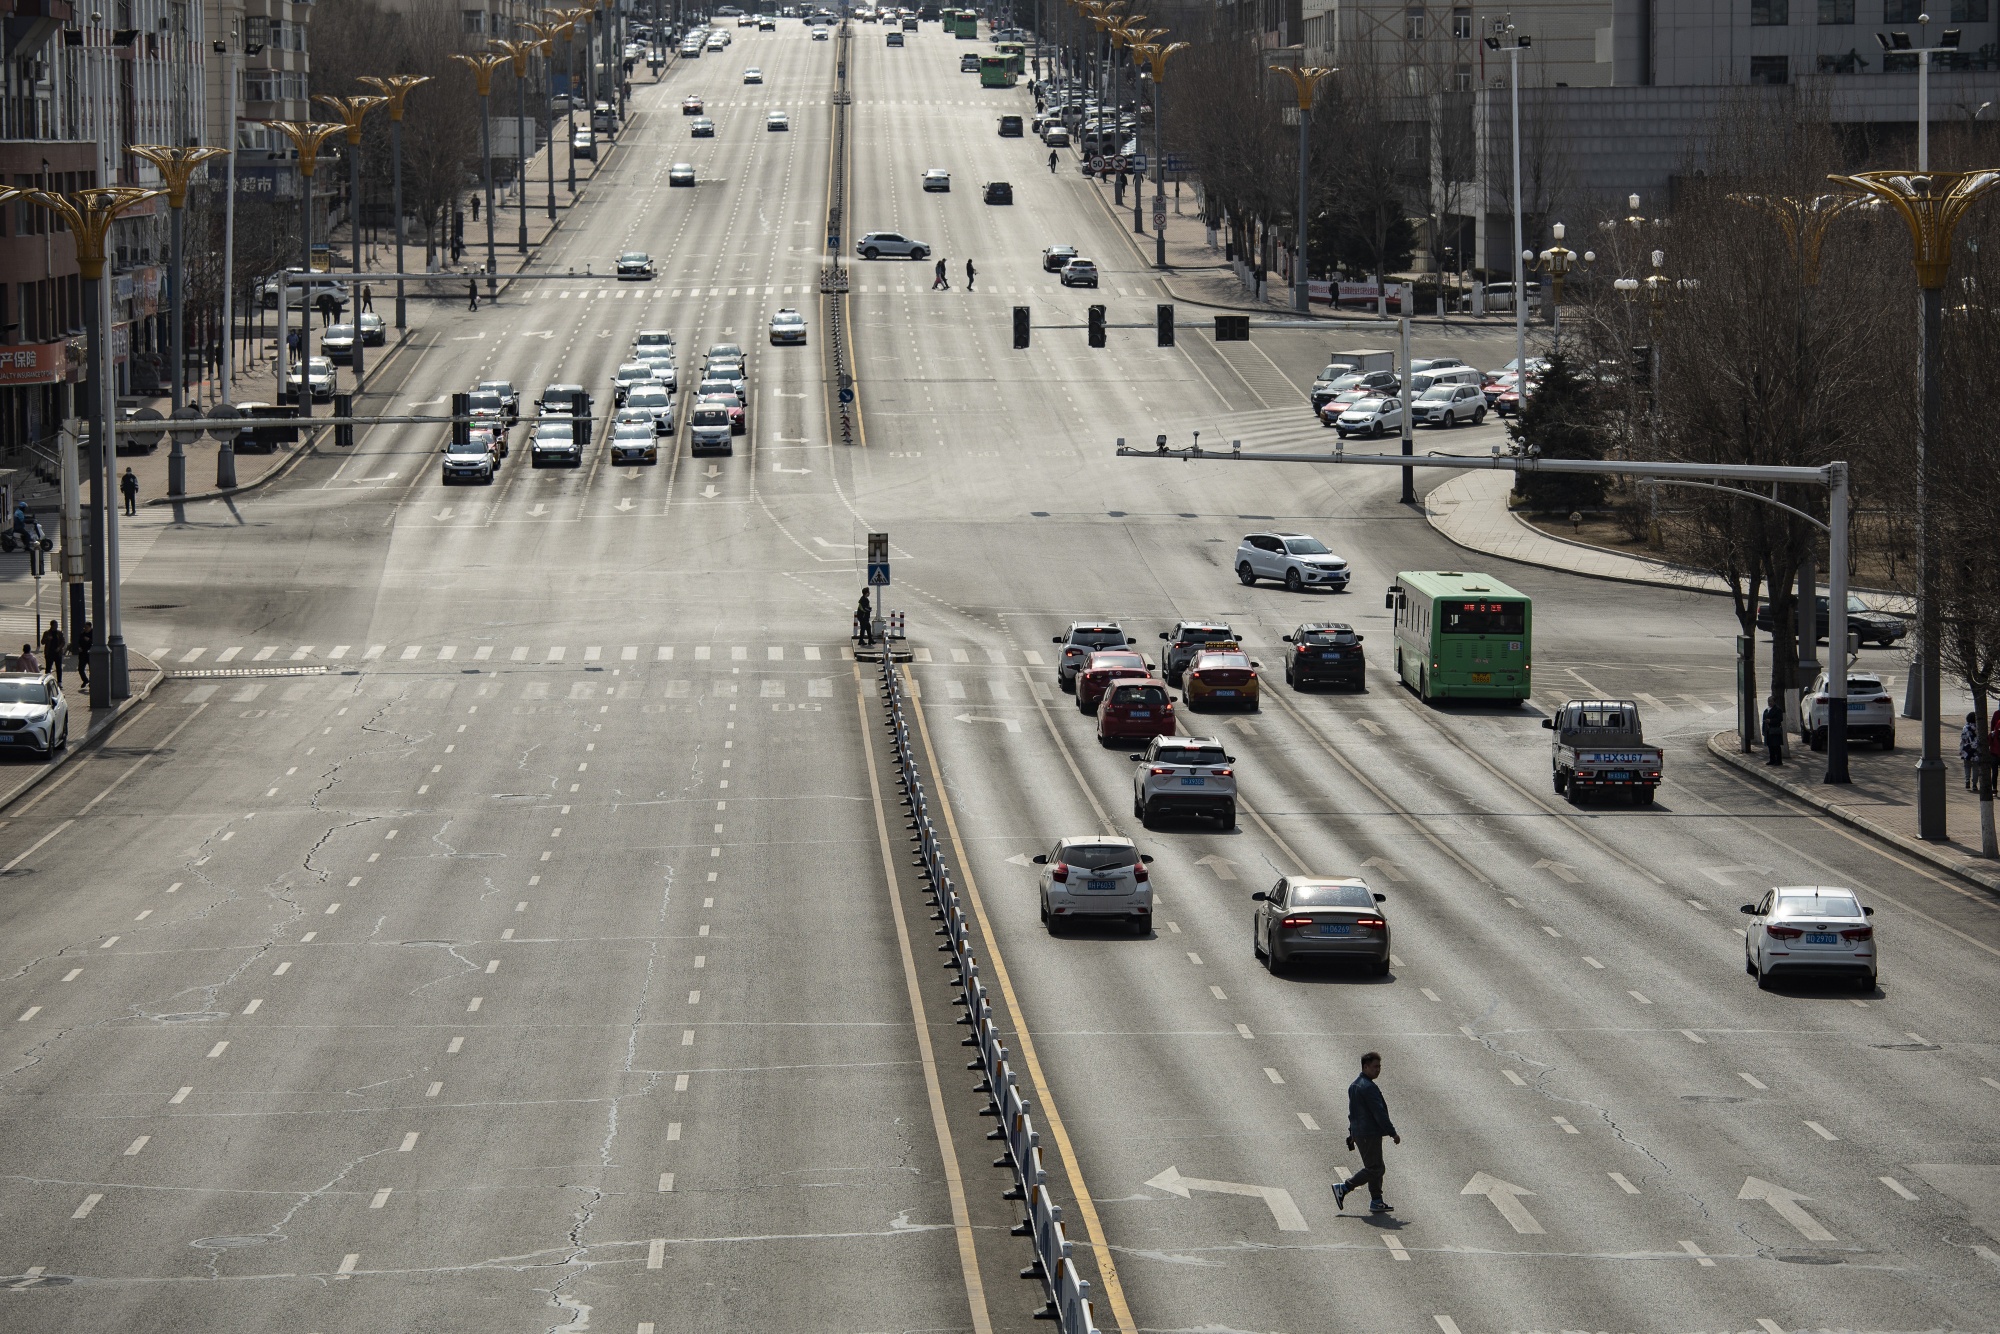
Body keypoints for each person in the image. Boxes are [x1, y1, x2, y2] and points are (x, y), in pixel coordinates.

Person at [1332, 1051, 1399, 1214]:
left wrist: (1352, 1133)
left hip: (1362, 1133)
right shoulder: (1368, 1087)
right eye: (1375, 1067)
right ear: (1365, 1066)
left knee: (1377, 1166)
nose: (1378, 1070)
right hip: (1369, 1133)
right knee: (1375, 1168)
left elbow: (1352, 1113)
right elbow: (1379, 1112)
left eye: (1379, 1067)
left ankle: (1377, 1200)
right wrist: (1392, 1132)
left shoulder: (1355, 1085)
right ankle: (1344, 1187)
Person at [1762, 697, 1785, 766]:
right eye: (1768, 701)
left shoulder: (1777, 710)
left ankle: (1778, 761)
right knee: (1770, 746)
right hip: (1768, 730)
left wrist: (1771, 721)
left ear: (1774, 702)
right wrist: (1763, 729)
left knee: (1776, 746)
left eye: (1771, 701)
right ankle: (1772, 760)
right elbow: (1764, 720)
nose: (1770, 703)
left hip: (1775, 730)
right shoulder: (1766, 710)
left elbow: (1780, 719)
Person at [40, 621, 65, 685]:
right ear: (51, 625)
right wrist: (47, 639)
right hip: (49, 653)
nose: (56, 626)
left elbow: (63, 642)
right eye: (55, 625)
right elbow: (42, 642)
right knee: (48, 667)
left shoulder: (59, 633)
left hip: (58, 653)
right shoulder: (47, 633)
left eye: (57, 625)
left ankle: (59, 682)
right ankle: (47, 681)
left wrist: (59, 648)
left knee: (59, 668)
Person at [1962, 714, 1980, 791]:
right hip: (1976, 749)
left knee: (1967, 765)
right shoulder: (1978, 728)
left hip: (1967, 749)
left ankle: (1967, 780)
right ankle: (1974, 784)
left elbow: (1962, 739)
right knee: (1976, 767)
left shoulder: (1965, 728)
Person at [73, 618, 91, 689]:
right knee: (80, 669)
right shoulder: (82, 634)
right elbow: (78, 642)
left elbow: (95, 642)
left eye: (87, 627)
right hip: (82, 654)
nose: (85, 629)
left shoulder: (93, 633)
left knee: (91, 669)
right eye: (85, 627)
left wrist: (89, 640)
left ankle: (91, 682)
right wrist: (79, 647)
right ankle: (85, 680)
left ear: (90, 627)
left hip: (90, 654)